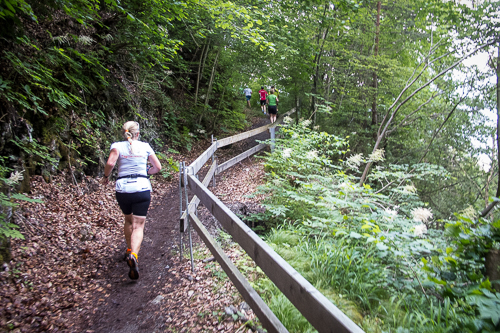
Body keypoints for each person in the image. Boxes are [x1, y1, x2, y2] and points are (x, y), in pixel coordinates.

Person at [101, 121, 162, 280]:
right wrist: (146, 171)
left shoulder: (117, 146)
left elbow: (110, 163)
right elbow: (158, 167)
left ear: (124, 133)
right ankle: (134, 255)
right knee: (139, 225)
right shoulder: (145, 146)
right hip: (142, 187)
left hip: (123, 189)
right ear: (138, 133)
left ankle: (129, 250)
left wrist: (106, 177)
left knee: (128, 220)